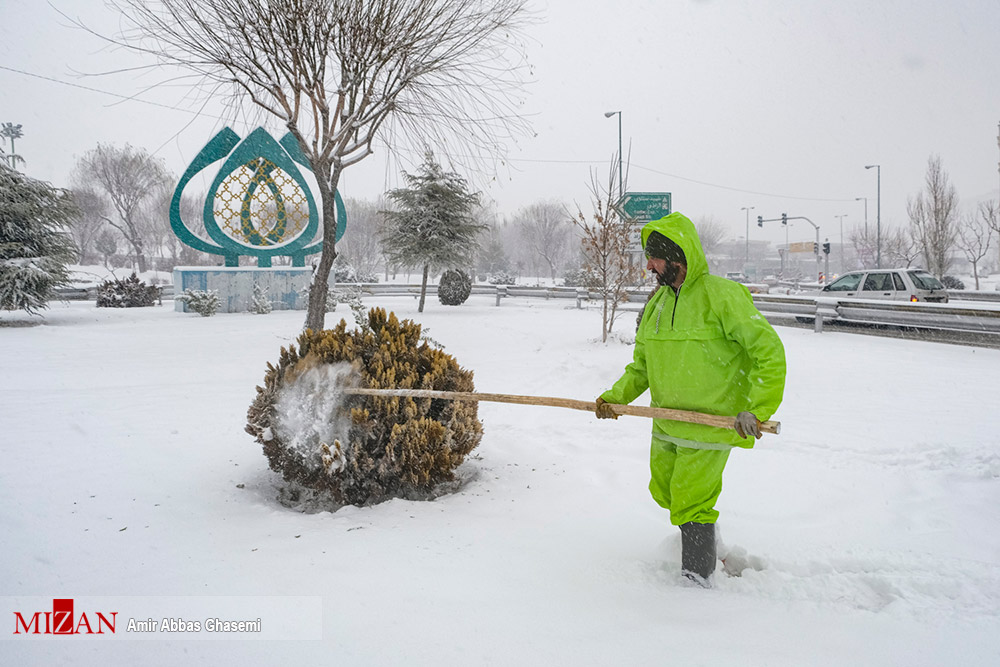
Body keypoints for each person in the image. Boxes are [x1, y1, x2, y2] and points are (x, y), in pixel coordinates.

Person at [595, 211, 786, 586]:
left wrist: (759, 409)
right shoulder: (657, 305)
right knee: (666, 492)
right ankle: (713, 547)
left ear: (677, 256)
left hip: (710, 426)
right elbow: (642, 367)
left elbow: (769, 351)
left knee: (691, 500)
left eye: (655, 257)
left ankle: (696, 582)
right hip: (667, 422)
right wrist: (613, 399)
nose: (648, 265)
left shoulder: (722, 297)